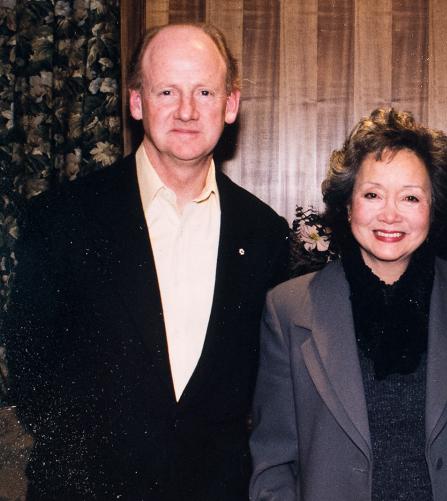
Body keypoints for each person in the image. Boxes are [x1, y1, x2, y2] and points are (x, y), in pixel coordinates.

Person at [4, 23, 289, 500]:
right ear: (137, 102)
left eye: (203, 91)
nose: (186, 110)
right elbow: (30, 368)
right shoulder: (62, 220)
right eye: (166, 91)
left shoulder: (264, 234)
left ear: (230, 105)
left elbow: (266, 390)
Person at [249, 108, 447, 500]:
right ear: (348, 206)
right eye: (373, 195)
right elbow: (273, 464)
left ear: (434, 209)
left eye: (411, 197)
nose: (390, 214)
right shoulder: (290, 309)